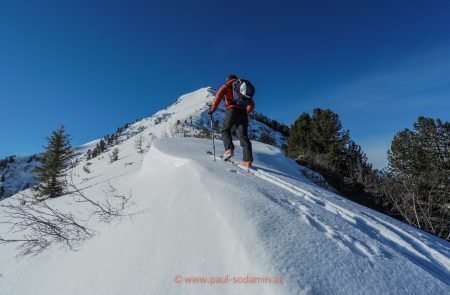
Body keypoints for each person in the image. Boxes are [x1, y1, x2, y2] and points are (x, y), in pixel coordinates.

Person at [208, 74, 255, 168]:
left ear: (228, 79)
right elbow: (252, 104)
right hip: (243, 113)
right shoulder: (242, 88)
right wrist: (246, 112)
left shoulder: (226, 86)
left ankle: (229, 149)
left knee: (225, 130)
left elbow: (218, 97)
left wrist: (212, 110)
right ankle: (247, 161)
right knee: (244, 136)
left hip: (232, 110)